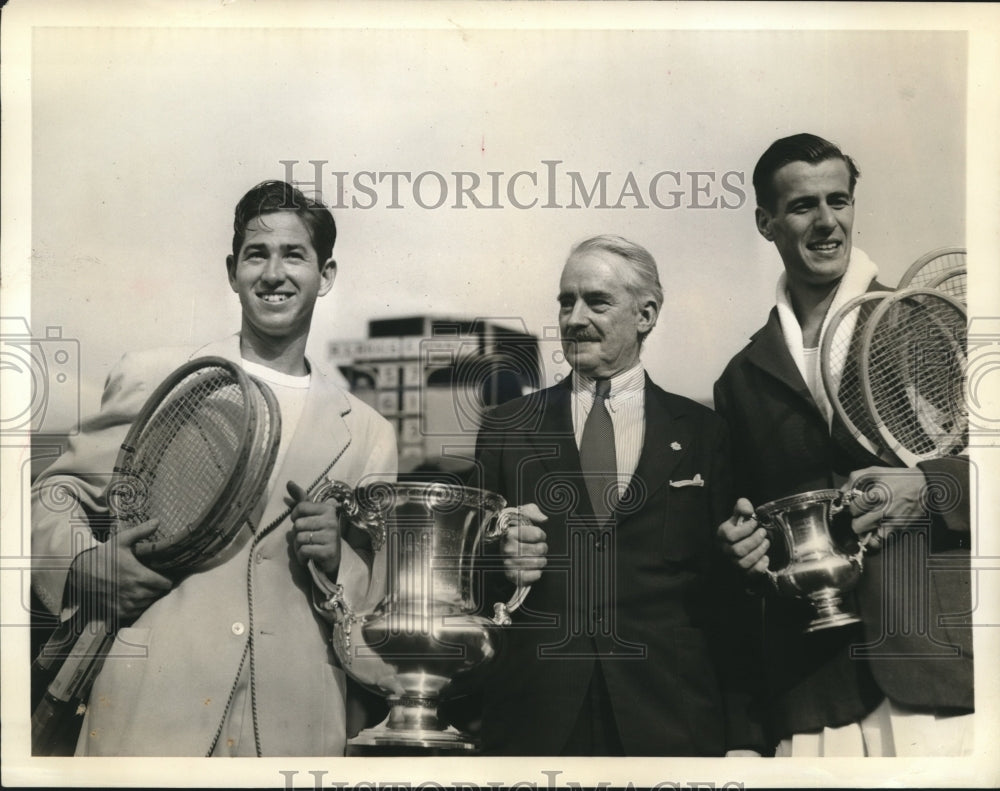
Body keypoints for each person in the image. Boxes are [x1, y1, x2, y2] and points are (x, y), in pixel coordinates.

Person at [31, 181, 397, 756]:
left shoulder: (370, 432)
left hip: (292, 734)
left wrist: (339, 560)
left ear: (325, 275)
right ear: (232, 271)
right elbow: (53, 494)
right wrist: (85, 566)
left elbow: (380, 608)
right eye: (257, 254)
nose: (273, 273)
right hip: (148, 716)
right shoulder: (159, 377)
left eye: (294, 255)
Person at [714, 133, 974, 756]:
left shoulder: (924, 321)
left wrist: (931, 485)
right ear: (766, 222)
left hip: (935, 670)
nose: (827, 222)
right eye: (804, 206)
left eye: (839, 200)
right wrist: (740, 546)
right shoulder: (741, 377)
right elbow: (741, 529)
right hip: (812, 687)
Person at [469, 235, 765, 756]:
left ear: (646, 314)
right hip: (535, 724)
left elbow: (725, 601)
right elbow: (464, 584)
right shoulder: (506, 428)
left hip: (671, 723)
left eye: (596, 301)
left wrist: (744, 734)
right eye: (566, 301)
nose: (574, 317)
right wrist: (500, 561)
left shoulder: (703, 433)